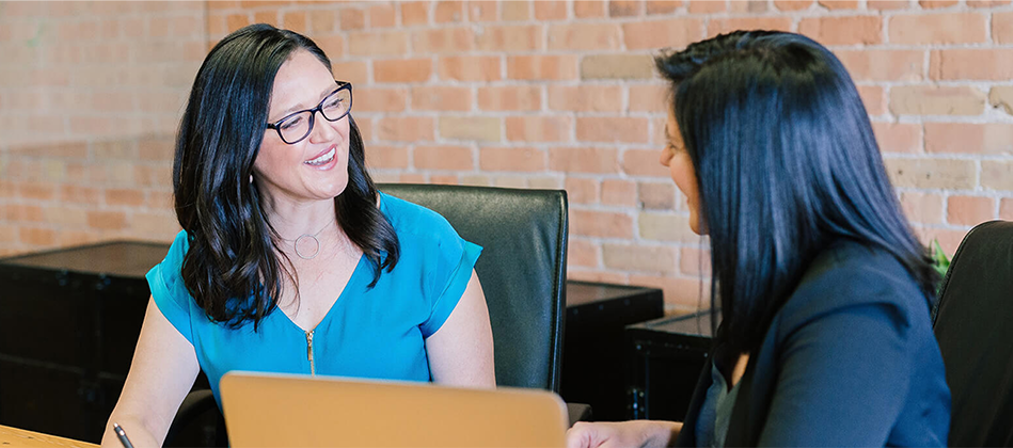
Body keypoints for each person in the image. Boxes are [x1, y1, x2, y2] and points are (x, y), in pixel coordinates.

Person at [101, 24, 495, 448]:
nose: (327, 132)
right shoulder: (202, 264)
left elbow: (480, 432)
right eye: (294, 121)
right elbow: (136, 419)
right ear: (240, 145)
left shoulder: (426, 246)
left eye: (330, 104)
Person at [567, 31, 950, 448]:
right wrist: (646, 435)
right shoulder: (776, 276)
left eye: (675, 144)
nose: (664, 158)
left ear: (740, 166)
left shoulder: (857, 309)